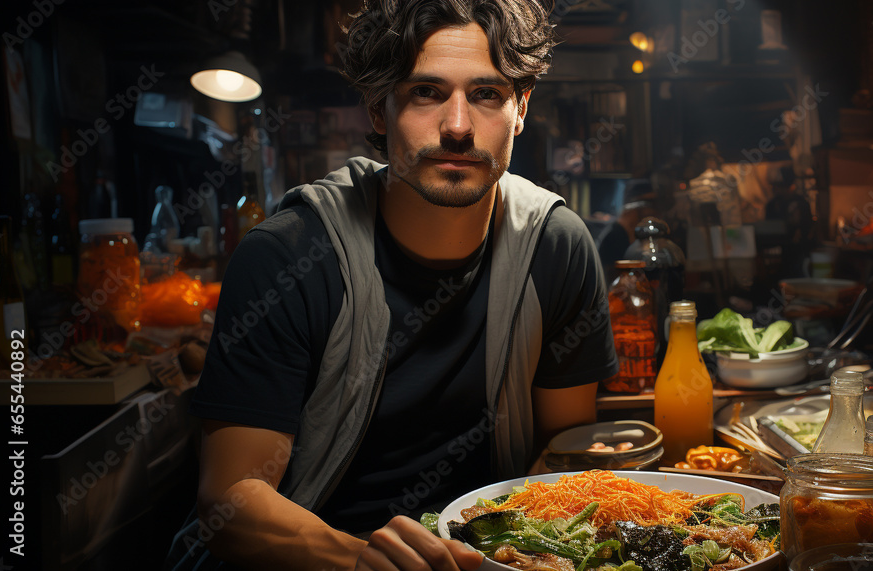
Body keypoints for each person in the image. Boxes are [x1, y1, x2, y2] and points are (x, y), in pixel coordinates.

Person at [170, 1, 618, 570]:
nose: (457, 127)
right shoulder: (288, 256)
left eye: (486, 94)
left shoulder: (557, 246)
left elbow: (567, 454)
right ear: (378, 110)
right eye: (426, 93)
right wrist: (360, 559)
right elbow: (229, 501)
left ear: (521, 107)